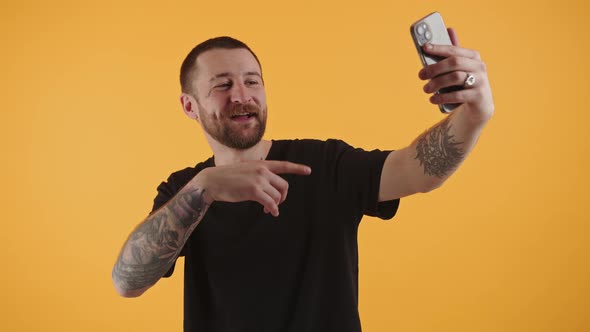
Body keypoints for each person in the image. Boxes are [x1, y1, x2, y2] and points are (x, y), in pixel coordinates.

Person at [112, 32, 494, 332]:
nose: (242, 96)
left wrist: (474, 113)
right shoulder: (185, 189)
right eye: (222, 85)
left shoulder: (323, 164)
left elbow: (417, 170)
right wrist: (203, 190)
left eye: (252, 81)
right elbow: (128, 282)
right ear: (189, 106)